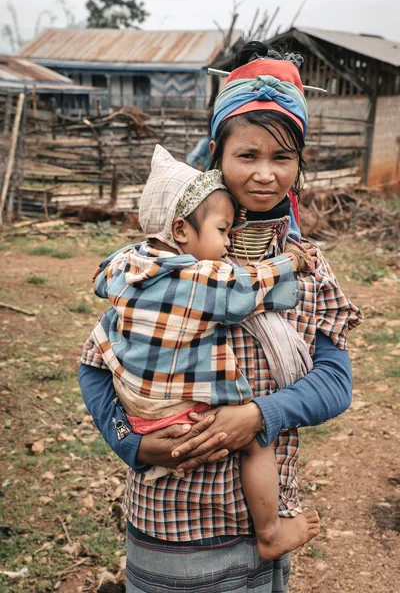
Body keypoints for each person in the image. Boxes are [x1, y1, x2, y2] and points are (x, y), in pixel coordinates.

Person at [79, 42, 363, 593]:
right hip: (171, 520)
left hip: (264, 521)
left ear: (300, 167)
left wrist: (257, 415)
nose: (264, 175)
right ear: (216, 154)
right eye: (247, 156)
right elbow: (94, 363)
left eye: (282, 158)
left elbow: (336, 382)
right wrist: (130, 442)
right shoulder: (167, 260)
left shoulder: (305, 268)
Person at [88, 143, 319, 561]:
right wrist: (290, 264)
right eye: (221, 231)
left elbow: (98, 309)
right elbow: (243, 288)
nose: (228, 244)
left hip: (142, 417)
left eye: (282, 158)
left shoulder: (129, 267)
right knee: (256, 442)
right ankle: (271, 531)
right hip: (183, 422)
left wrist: (127, 434)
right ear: (180, 231)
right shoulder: (197, 279)